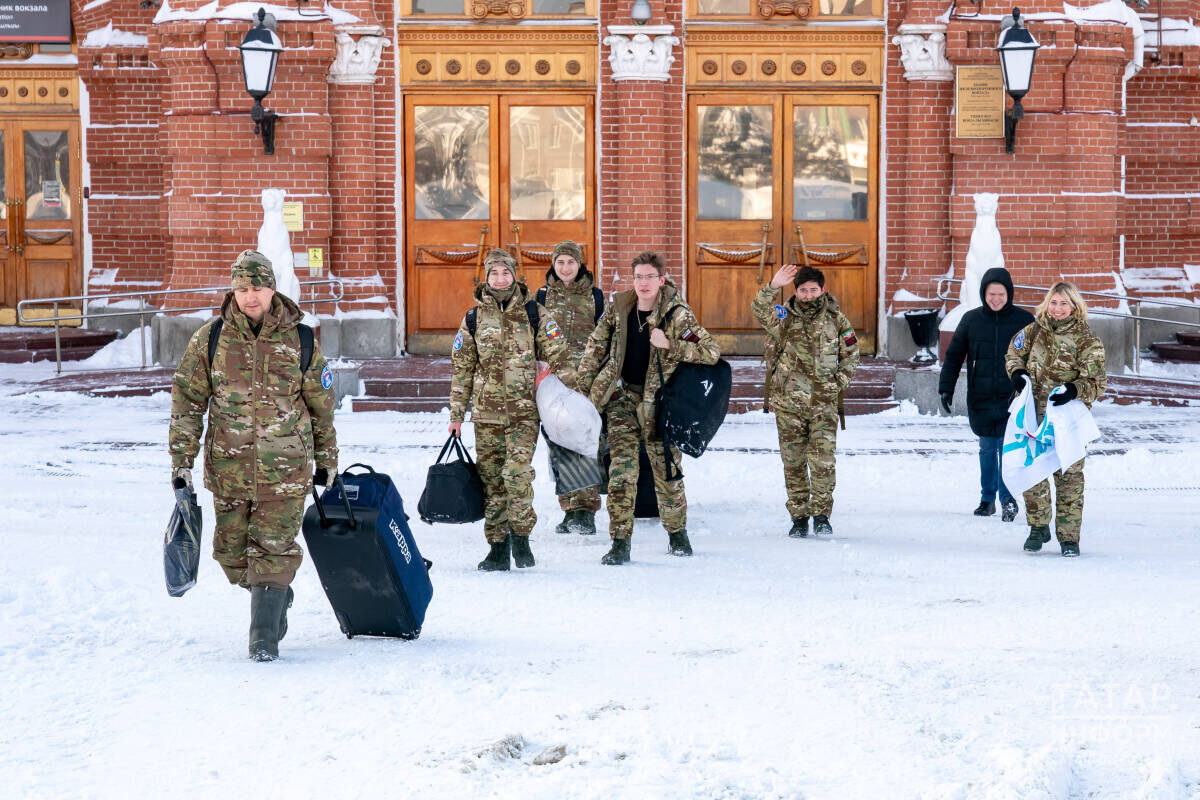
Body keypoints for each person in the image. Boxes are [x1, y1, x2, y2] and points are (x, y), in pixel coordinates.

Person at [169, 250, 338, 661]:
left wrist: (327, 458)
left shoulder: (300, 339)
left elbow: (321, 404)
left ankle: (263, 636)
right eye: (242, 288)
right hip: (228, 470)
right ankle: (276, 593)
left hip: (287, 469)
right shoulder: (209, 338)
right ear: (233, 290)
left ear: (272, 288)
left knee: (275, 549)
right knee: (230, 553)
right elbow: (188, 402)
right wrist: (181, 462)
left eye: (257, 287)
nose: (250, 296)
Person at [576, 251, 720, 565]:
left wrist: (671, 344)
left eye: (649, 277)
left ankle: (678, 535)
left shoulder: (677, 315)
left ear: (661, 280)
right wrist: (585, 388)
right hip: (624, 400)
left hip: (661, 406)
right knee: (621, 473)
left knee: (666, 471)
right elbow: (595, 347)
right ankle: (620, 542)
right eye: (638, 277)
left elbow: (710, 351)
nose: (643, 283)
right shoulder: (619, 308)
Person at [449, 248, 572, 571]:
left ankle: (521, 537)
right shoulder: (473, 318)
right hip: (486, 415)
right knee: (491, 482)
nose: (500, 279)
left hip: (524, 414)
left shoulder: (534, 313)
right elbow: (462, 369)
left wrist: (551, 380)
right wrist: (456, 416)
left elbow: (559, 354)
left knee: (516, 475)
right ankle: (497, 548)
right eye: (494, 274)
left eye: (505, 273)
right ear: (486, 278)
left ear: (515, 275)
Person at [752, 264, 860, 538]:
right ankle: (799, 517)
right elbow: (759, 310)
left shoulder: (836, 319)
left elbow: (851, 354)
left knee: (823, 462)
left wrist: (836, 385)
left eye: (813, 289)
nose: (809, 295)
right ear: (796, 292)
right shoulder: (784, 317)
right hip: (789, 404)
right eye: (803, 290)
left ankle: (822, 515)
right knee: (793, 462)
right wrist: (773, 285)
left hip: (823, 404)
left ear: (823, 290)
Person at [1005, 281, 1107, 557]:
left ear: (1074, 306)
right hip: (1034, 417)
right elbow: (1014, 353)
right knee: (1032, 469)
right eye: (1053, 302)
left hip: (1066, 418)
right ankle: (1038, 527)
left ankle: (1069, 538)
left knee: (1069, 477)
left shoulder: (1087, 339)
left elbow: (1097, 381)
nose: (1058, 308)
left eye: (1064, 303)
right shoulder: (1035, 329)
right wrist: (1016, 372)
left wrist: (1075, 389)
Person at [939, 267, 1036, 522]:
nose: (996, 299)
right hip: (981, 396)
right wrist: (946, 387)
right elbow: (953, 356)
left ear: (1009, 294)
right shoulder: (971, 320)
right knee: (986, 447)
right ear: (983, 294)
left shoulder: (1024, 321)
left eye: (1001, 294)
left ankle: (1008, 500)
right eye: (991, 294)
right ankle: (987, 499)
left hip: (1012, 397)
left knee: (1007, 449)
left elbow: (1038, 358)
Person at [538, 240, 606, 536]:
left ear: (580, 265)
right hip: (552, 380)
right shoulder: (540, 296)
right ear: (554, 264)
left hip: (583, 379)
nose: (565, 268)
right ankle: (568, 509)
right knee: (558, 442)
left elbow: (604, 336)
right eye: (560, 262)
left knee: (584, 440)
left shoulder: (596, 296)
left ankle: (586, 512)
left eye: (571, 262)